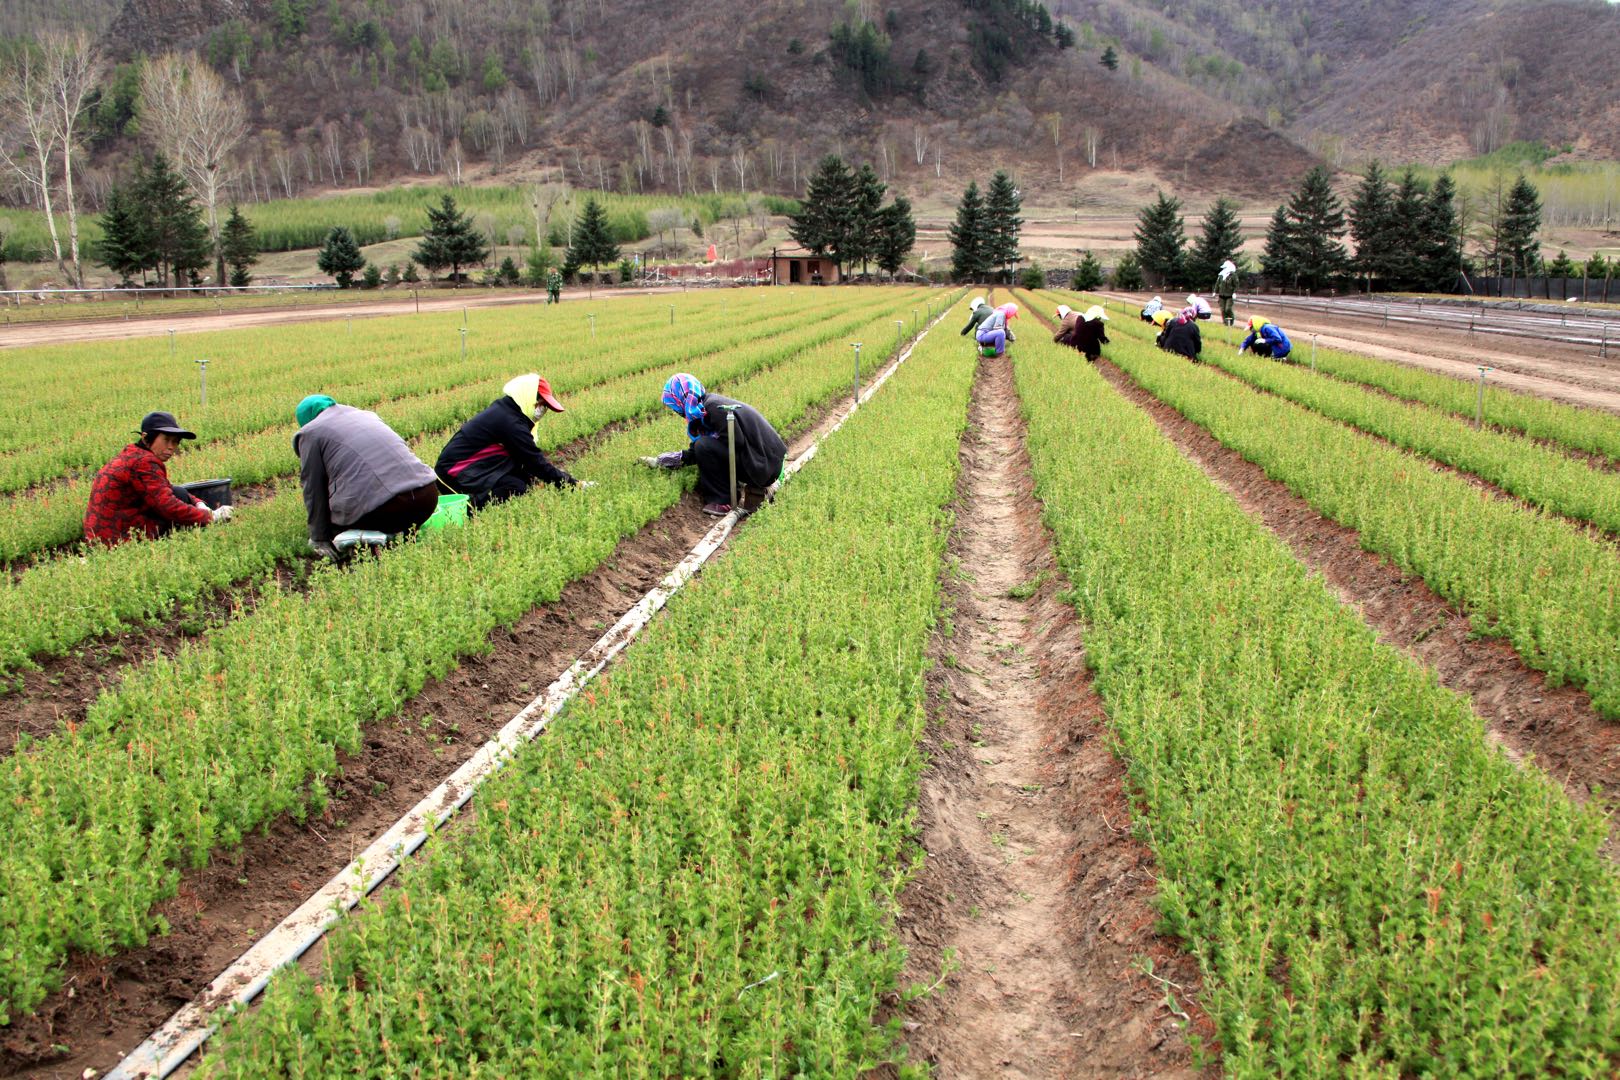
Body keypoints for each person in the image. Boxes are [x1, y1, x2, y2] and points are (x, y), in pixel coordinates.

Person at [293, 394, 440, 559]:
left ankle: (375, 540)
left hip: (386, 508)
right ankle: (400, 537)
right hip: (427, 497)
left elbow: (313, 487)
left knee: (335, 530)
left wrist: (319, 537)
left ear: (306, 420)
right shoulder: (367, 415)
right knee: (400, 515)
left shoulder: (310, 432)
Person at [644, 373, 786, 516]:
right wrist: (662, 461)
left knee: (704, 447)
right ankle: (732, 494)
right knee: (703, 447)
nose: (676, 410)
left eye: (675, 405)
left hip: (765, 465)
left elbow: (735, 441)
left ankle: (723, 501)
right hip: (764, 461)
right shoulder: (706, 406)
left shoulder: (712, 407)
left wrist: (702, 450)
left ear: (682, 399)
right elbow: (699, 452)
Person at [84, 411, 233, 546]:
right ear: (145, 437)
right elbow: (167, 506)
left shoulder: (132, 454)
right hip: (117, 540)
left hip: (101, 536)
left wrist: (199, 503)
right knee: (177, 508)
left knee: (179, 492)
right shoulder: (144, 462)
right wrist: (211, 517)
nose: (171, 447)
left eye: (175, 441)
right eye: (166, 439)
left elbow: (166, 488)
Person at [436, 374, 582, 510]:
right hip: (453, 474)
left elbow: (526, 462)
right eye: (542, 404)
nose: (542, 410)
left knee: (523, 479)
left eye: (546, 408)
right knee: (514, 487)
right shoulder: (510, 423)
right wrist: (572, 485)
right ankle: (470, 511)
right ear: (529, 398)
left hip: (471, 468)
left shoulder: (508, 411)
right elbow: (535, 462)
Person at [1214, 260, 1238, 326]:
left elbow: (1236, 285)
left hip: (1229, 295)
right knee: (1223, 310)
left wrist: (1234, 293)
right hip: (1221, 295)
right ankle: (1225, 323)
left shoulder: (1233, 275)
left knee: (1228, 309)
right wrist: (1215, 291)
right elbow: (1217, 284)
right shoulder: (1221, 275)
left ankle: (1231, 321)